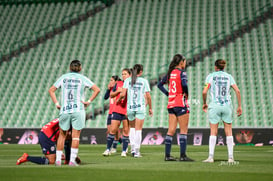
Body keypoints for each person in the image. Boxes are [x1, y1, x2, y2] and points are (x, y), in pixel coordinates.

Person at [48, 60, 100, 166]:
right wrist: (88, 102)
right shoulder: (82, 78)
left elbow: (51, 90)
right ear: (80, 68)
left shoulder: (63, 77)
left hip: (65, 109)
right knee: (75, 136)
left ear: (69, 67)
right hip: (78, 109)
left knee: (62, 135)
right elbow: (97, 89)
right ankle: (72, 161)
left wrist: (57, 103)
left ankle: (58, 160)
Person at [202, 59, 242, 163]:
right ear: (223, 67)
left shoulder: (210, 76)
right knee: (229, 132)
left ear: (215, 67)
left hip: (214, 106)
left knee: (213, 132)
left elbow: (204, 92)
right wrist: (239, 106)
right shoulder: (229, 76)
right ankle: (230, 157)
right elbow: (237, 91)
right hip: (227, 106)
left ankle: (210, 157)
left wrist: (204, 103)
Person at [157, 54, 193, 161]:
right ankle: (183, 156)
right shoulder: (182, 73)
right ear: (181, 62)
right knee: (183, 131)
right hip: (180, 103)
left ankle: (167, 156)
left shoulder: (170, 73)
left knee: (171, 130)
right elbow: (184, 85)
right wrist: (187, 94)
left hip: (171, 104)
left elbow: (159, 85)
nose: (185, 63)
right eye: (184, 61)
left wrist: (168, 94)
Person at [118, 64, 153, 158]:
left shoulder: (127, 81)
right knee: (138, 130)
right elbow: (148, 96)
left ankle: (133, 149)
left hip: (130, 107)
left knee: (132, 129)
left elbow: (123, 94)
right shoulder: (144, 81)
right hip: (140, 107)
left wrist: (118, 100)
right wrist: (150, 108)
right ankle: (137, 151)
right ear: (140, 72)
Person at [16, 118, 81, 165]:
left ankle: (67, 160)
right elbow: (66, 139)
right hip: (46, 136)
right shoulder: (69, 123)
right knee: (51, 161)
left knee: (68, 140)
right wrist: (74, 157)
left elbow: (62, 138)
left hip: (48, 135)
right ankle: (27, 157)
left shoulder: (66, 119)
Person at [103, 68, 131, 157]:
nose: (123, 76)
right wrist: (118, 91)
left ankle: (124, 151)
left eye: (125, 74)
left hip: (127, 110)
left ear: (130, 75)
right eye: (122, 74)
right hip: (117, 109)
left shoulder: (132, 84)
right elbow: (111, 95)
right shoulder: (118, 83)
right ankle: (108, 149)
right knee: (113, 130)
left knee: (126, 131)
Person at [104, 75, 122, 153]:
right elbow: (105, 97)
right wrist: (108, 89)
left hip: (116, 111)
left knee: (116, 130)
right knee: (109, 130)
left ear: (116, 82)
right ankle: (123, 142)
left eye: (111, 80)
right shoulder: (111, 89)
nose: (110, 81)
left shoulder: (119, 89)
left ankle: (114, 147)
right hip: (110, 112)